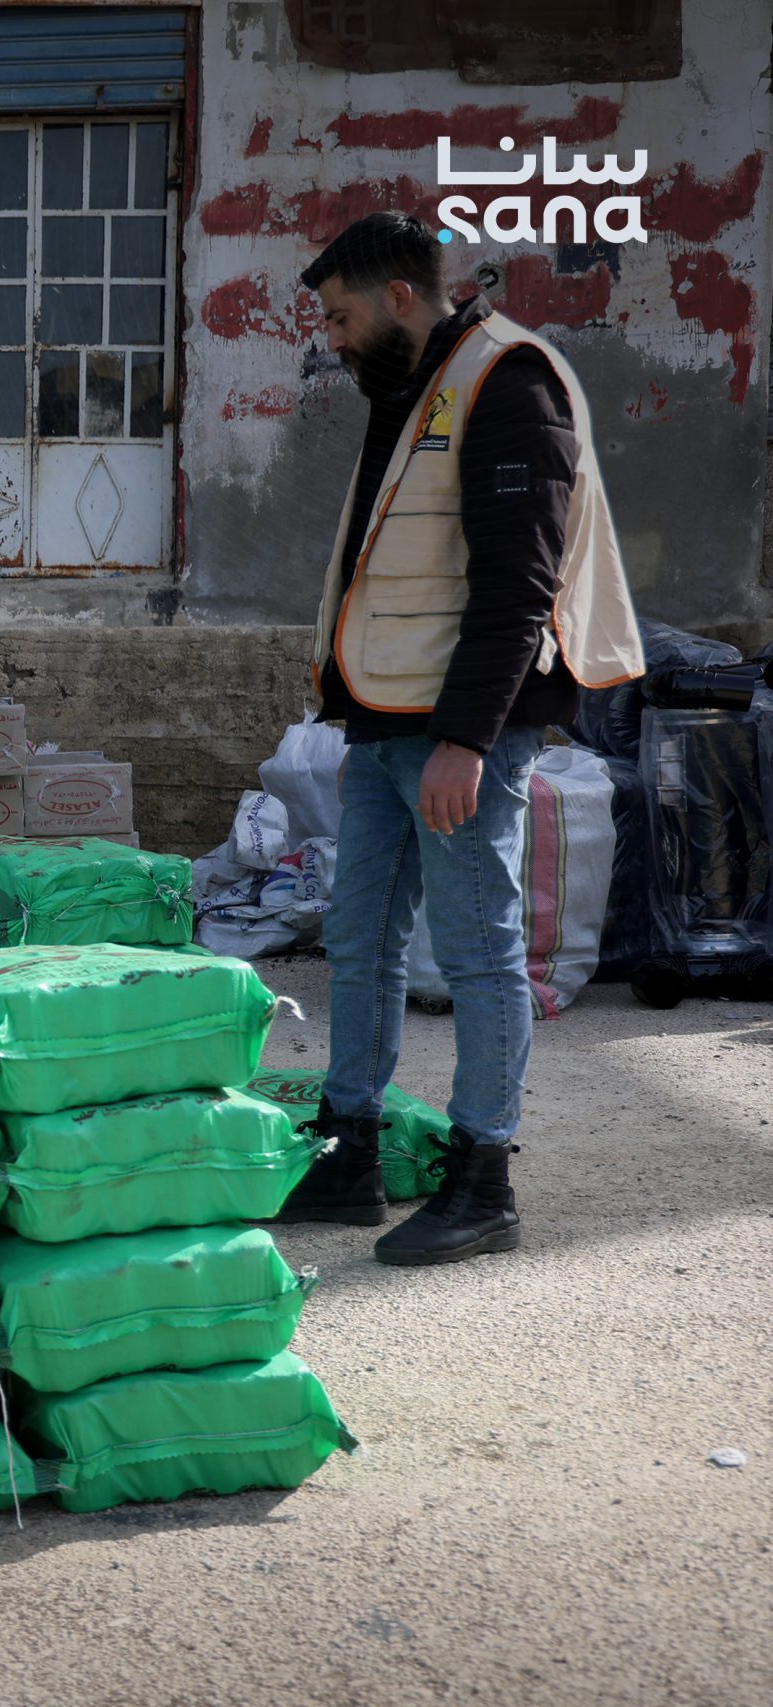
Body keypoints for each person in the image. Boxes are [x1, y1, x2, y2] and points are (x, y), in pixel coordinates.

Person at [281, 212, 641, 1264]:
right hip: (383, 726)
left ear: (399, 296)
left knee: (480, 953)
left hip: (456, 735)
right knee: (358, 942)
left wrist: (467, 742)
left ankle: (483, 1180)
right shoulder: (412, 384)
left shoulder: (508, 381)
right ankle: (349, 1150)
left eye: (340, 317)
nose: (332, 340)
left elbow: (520, 584)